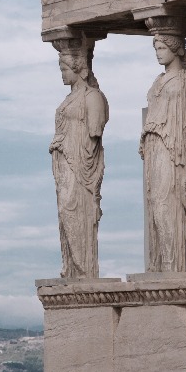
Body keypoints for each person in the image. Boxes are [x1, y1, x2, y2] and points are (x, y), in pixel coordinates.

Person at [140, 34, 186, 272]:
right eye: (156, 48)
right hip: (154, 147)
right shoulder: (157, 81)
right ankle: (159, 264)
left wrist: (180, 135)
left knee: (167, 204)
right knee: (154, 204)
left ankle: (173, 266)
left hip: (174, 149)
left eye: (161, 48)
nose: (158, 53)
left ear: (175, 49)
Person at [50, 40, 109, 278]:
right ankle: (73, 267)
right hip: (64, 163)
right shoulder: (69, 98)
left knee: (72, 210)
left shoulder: (93, 96)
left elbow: (95, 130)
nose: (62, 74)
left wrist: (69, 140)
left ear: (77, 68)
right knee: (64, 212)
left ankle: (84, 267)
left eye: (65, 69)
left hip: (80, 163)